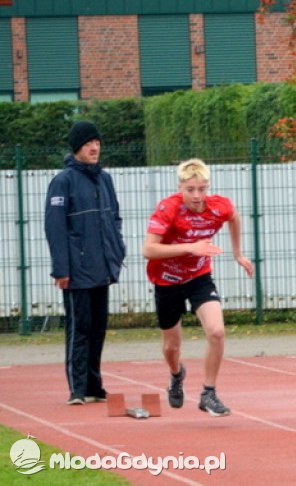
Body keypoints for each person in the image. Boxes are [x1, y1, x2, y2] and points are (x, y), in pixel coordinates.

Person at [142, 158, 253, 417]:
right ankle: (176, 374)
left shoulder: (218, 206)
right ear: (180, 187)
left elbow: (234, 218)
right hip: (167, 280)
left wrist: (237, 253)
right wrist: (189, 247)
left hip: (199, 277)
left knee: (216, 332)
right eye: (190, 190)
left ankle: (208, 393)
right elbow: (148, 250)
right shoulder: (167, 209)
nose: (196, 196)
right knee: (172, 347)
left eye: (202, 189)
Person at [45, 121, 127, 405]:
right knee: (79, 328)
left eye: (98, 143)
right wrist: (61, 269)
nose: (94, 148)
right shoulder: (62, 181)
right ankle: (77, 389)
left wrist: (117, 250)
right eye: (88, 143)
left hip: (102, 268)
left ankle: (94, 385)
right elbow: (55, 229)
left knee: (98, 328)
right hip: (77, 271)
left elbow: (114, 217)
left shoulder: (104, 179)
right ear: (77, 147)